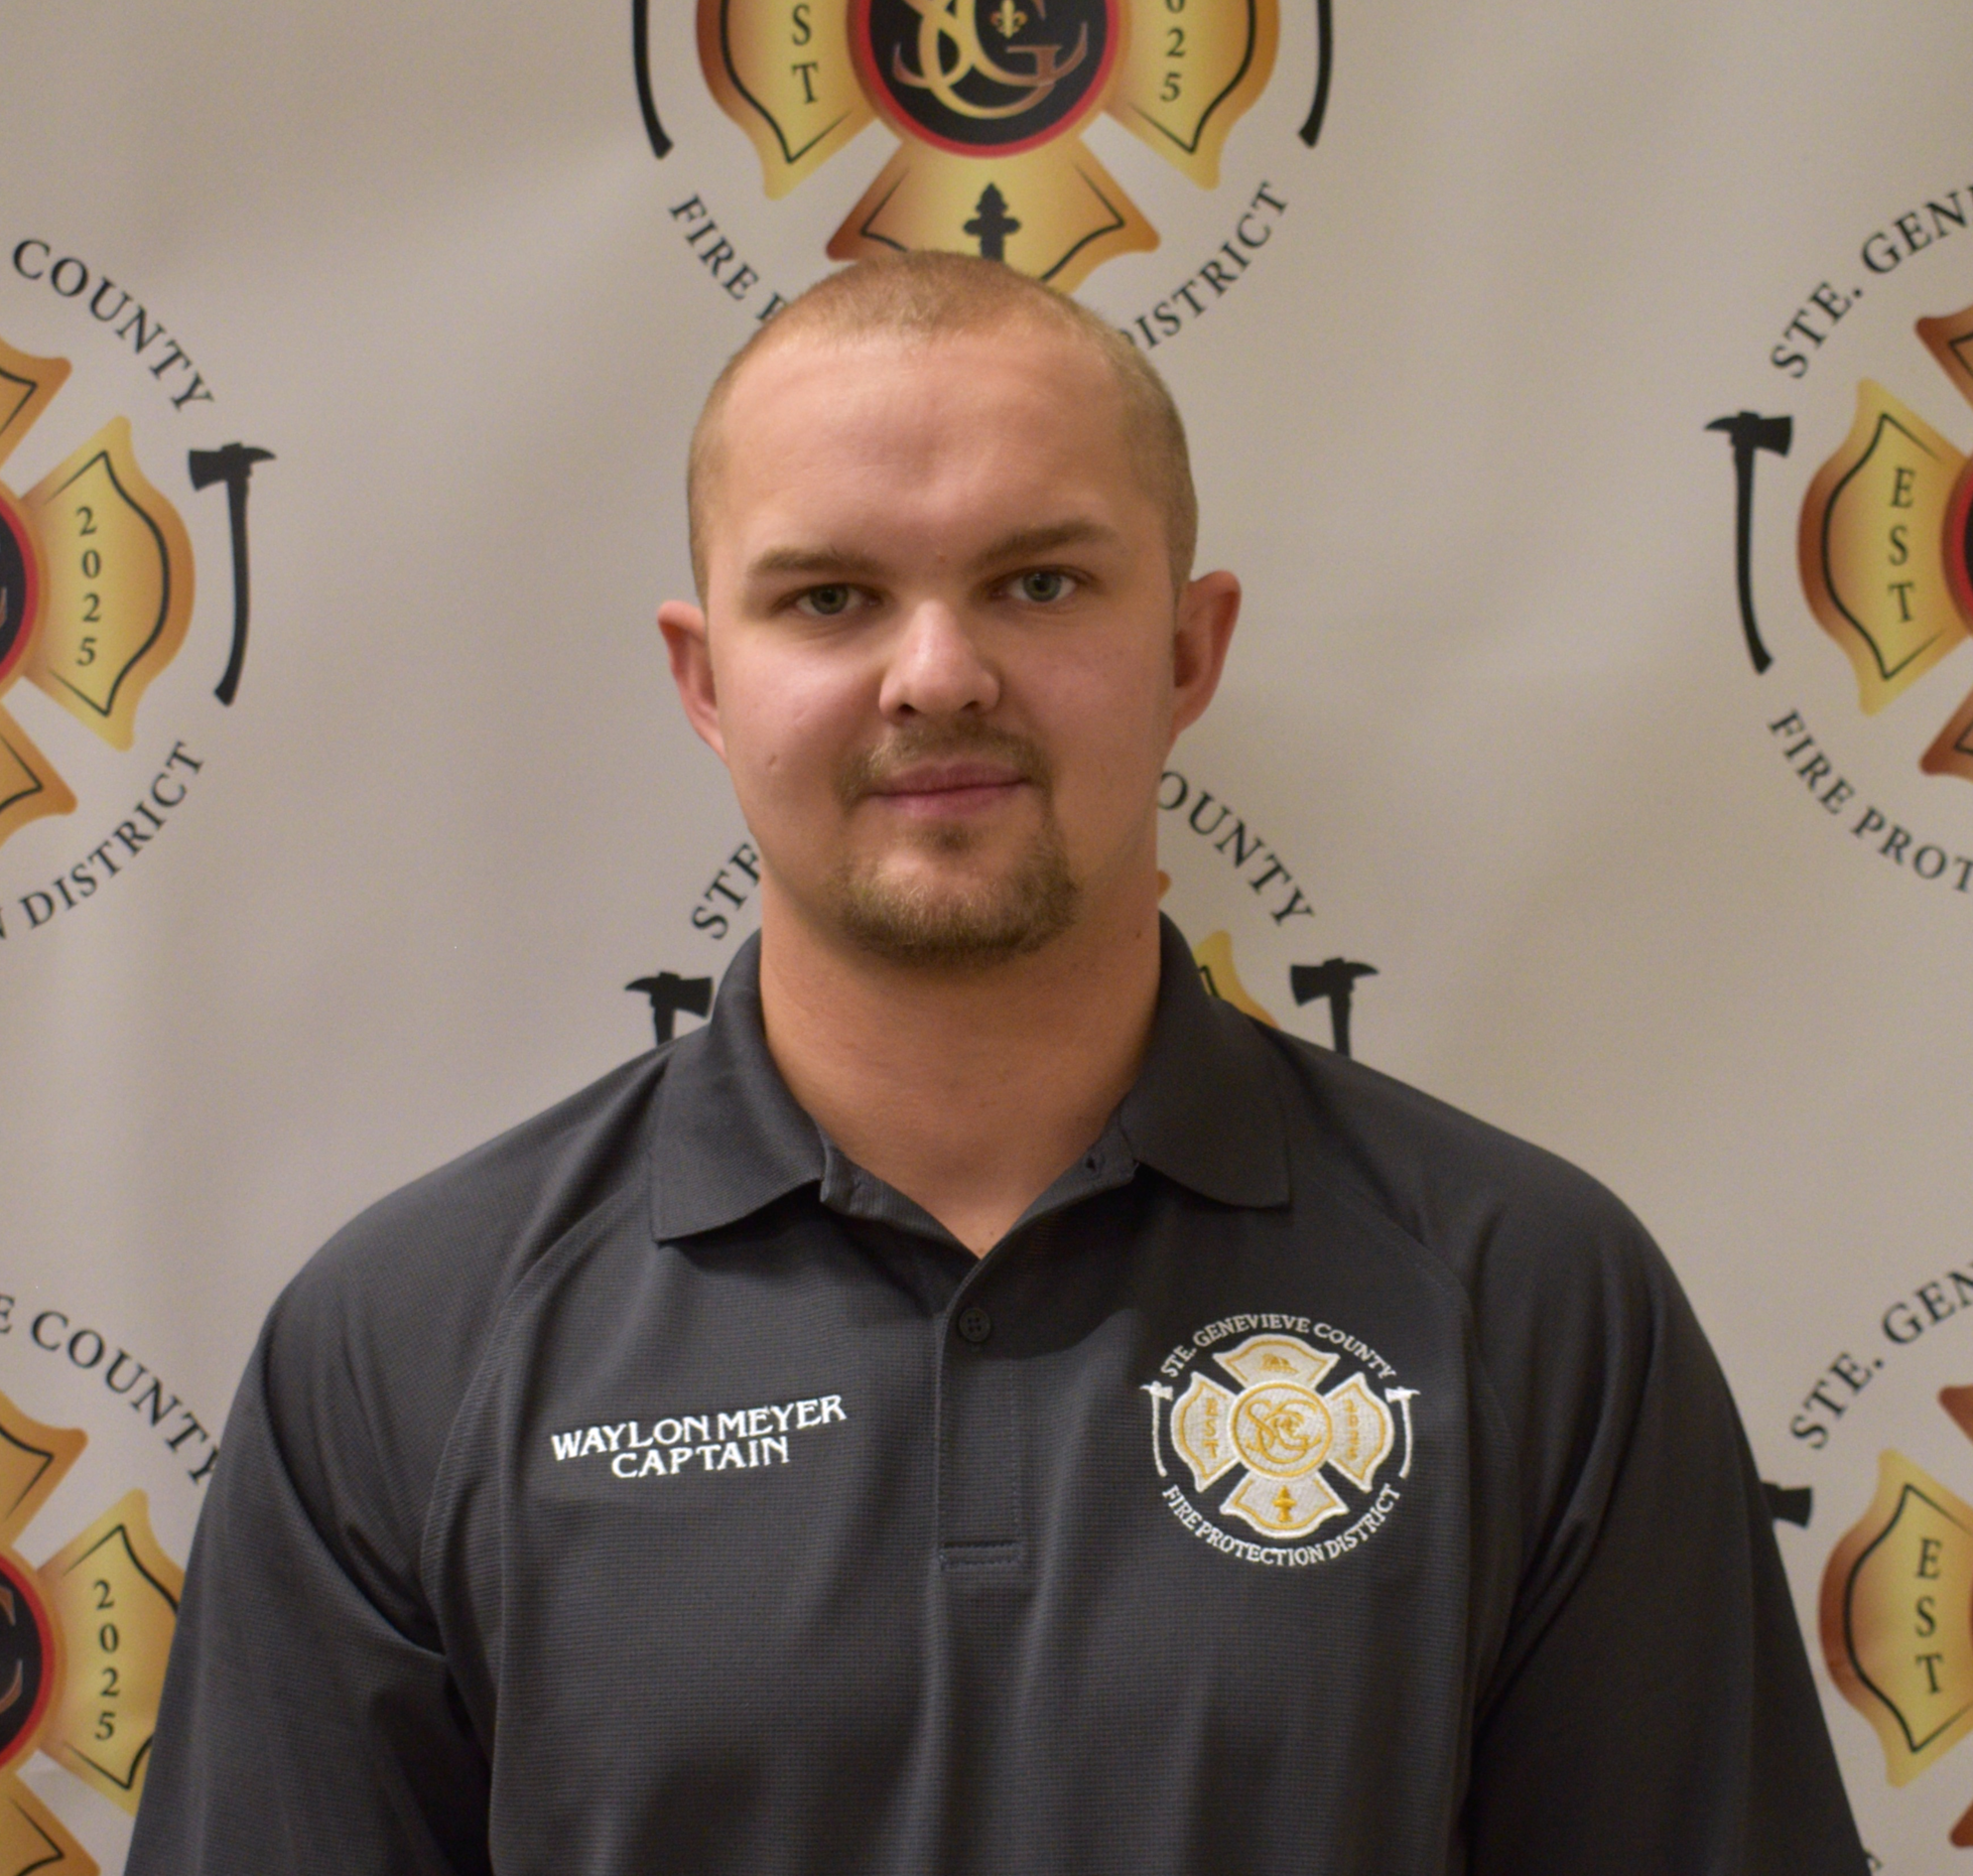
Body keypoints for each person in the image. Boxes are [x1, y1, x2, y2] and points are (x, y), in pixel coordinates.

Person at [128, 253, 1867, 1874]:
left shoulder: (1530, 1304)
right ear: (707, 679)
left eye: (1040, 581)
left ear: (1189, 649)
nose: (937, 674)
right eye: (830, 597)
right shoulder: (403, 1344)